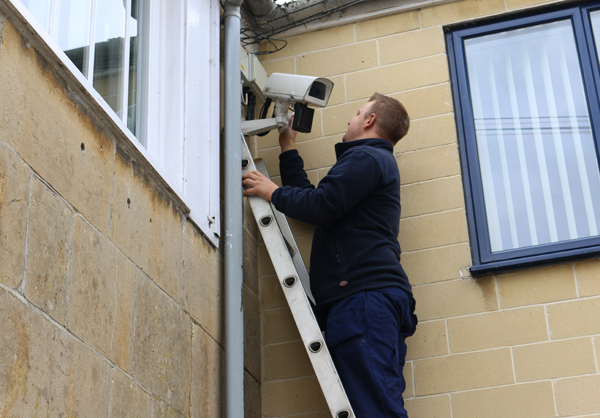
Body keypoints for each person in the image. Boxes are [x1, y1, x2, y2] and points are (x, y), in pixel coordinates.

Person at [242, 92, 417, 418]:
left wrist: (273, 192)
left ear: (370, 120)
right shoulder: (369, 162)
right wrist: (287, 147)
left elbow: (320, 206)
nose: (350, 118)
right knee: (371, 403)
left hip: (364, 299)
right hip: (365, 300)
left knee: (375, 408)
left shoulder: (367, 157)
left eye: (357, 112)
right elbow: (317, 202)